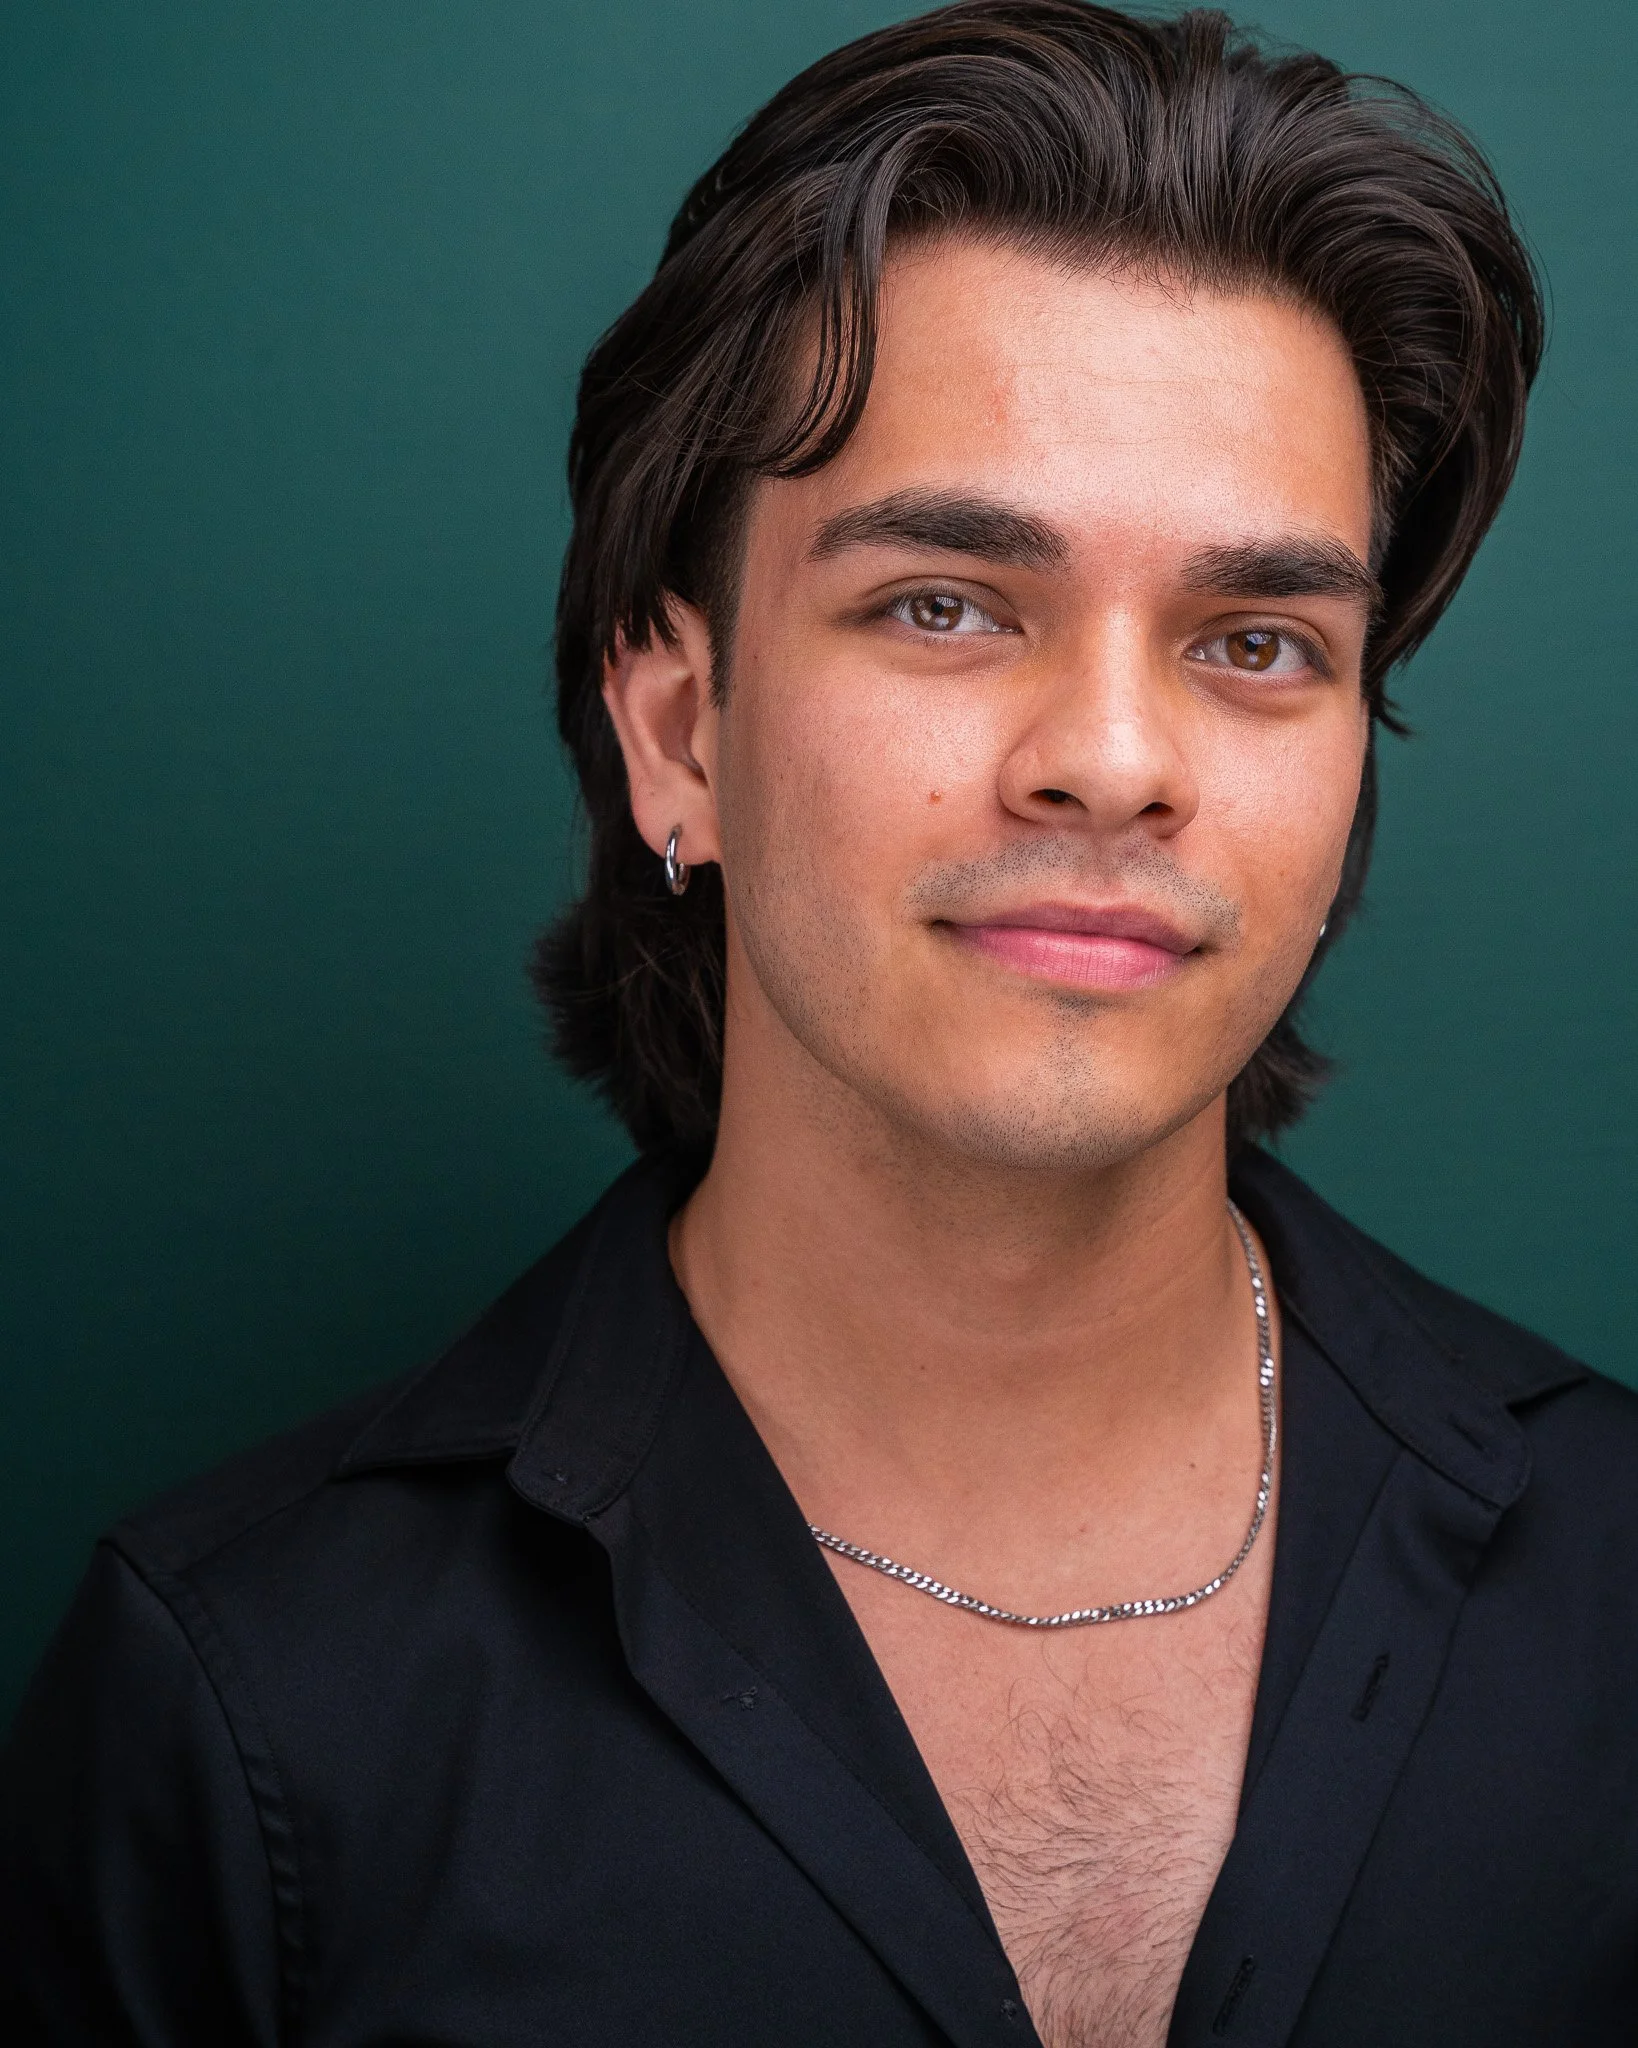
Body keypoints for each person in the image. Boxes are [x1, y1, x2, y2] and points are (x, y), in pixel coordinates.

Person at [5, 3, 1636, 2043]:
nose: (1114, 760)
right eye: (944, 602)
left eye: (1252, 640)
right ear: (680, 734)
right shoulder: (243, 1712)